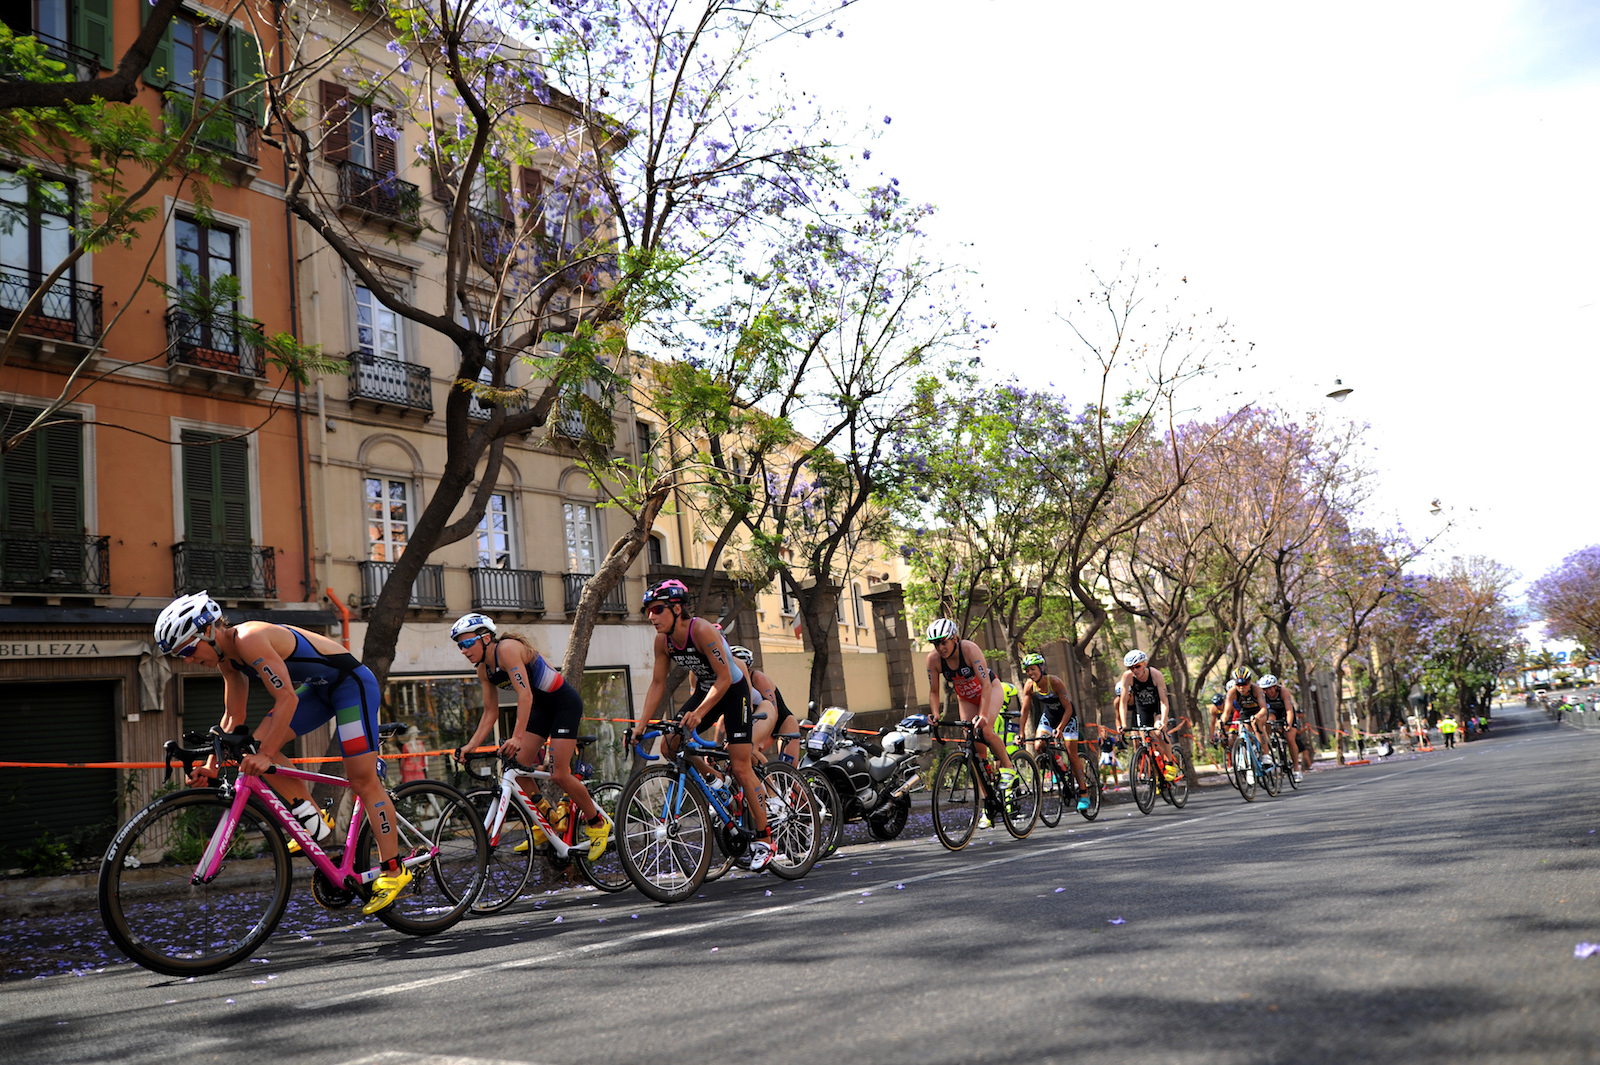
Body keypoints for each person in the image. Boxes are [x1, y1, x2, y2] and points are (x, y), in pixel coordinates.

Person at [154, 591, 410, 915]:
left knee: (362, 780)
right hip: (320, 689)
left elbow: (286, 699)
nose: (188, 660)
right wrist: (212, 766)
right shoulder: (228, 661)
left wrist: (267, 753)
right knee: (251, 746)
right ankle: (316, 817)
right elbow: (233, 718)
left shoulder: (249, 638)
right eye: (181, 656)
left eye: (187, 650)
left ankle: (394, 868)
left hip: (351, 685)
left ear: (208, 631)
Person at [629, 580, 772, 871]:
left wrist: (700, 712)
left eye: (657, 609)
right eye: (648, 611)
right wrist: (640, 726)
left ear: (677, 608)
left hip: (732, 692)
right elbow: (657, 683)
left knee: (741, 766)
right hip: (706, 691)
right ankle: (715, 781)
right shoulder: (663, 641)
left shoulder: (702, 630)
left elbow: (723, 679)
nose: (651, 617)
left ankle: (765, 839)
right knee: (670, 745)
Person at [451, 613, 610, 859]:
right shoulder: (484, 670)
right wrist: (471, 745)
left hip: (562, 705)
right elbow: (491, 712)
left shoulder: (508, 649)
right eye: (459, 645)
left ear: (485, 637)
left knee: (559, 774)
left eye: (467, 643)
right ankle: (548, 820)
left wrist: (516, 738)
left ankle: (597, 823)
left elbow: (525, 695)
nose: (463, 650)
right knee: (517, 767)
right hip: (540, 710)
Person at [924, 618, 1015, 829]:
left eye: (944, 642)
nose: (941, 647)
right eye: (936, 644)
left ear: (955, 638)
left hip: (990, 690)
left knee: (984, 729)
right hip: (965, 698)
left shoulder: (970, 649)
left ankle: (1008, 768)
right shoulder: (933, 660)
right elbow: (934, 691)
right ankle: (988, 805)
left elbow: (985, 684)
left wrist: (983, 714)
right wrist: (936, 713)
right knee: (974, 750)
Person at [1020, 652, 1090, 812]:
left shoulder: (1055, 682)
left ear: (1041, 668)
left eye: (1033, 669)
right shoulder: (1029, 686)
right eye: (1027, 671)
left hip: (1067, 716)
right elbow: (1025, 711)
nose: (1030, 673)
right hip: (1050, 716)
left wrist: (1060, 729)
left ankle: (1084, 794)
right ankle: (1061, 769)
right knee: (1039, 746)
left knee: (1072, 755)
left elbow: (1069, 708)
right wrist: (1021, 732)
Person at [728, 644, 800, 765]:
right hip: (760, 722)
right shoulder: (733, 682)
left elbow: (774, 711)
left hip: (782, 723)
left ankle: (791, 783)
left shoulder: (758, 678)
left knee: (789, 772)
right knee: (747, 753)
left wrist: (763, 740)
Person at [1117, 650, 1175, 769]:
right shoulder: (1127, 677)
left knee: (1159, 732)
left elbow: (1164, 701)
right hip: (1143, 709)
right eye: (1131, 668)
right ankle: (1156, 773)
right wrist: (1123, 724)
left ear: (1144, 664)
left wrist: (1163, 722)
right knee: (1145, 740)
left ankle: (1170, 763)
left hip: (1157, 707)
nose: (1135, 670)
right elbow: (1122, 703)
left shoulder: (1156, 675)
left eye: (1137, 666)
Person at [1224, 665, 1272, 767]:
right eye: (1238, 684)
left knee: (1256, 724)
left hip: (1259, 711)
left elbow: (1264, 708)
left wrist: (1257, 716)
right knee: (1242, 732)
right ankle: (1247, 761)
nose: (1241, 687)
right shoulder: (1232, 692)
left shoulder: (1256, 689)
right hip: (1245, 712)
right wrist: (1222, 721)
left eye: (1244, 684)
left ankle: (1266, 755)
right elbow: (1226, 712)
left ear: (1249, 682)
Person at [1258, 675, 1303, 783]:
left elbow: (1289, 710)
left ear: (1276, 687)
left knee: (1290, 739)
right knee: (1268, 720)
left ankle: (1296, 770)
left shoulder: (1283, 692)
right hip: (1273, 712)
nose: (1268, 691)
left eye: (1270, 688)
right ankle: (1270, 740)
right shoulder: (1262, 695)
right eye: (1265, 689)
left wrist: (1288, 723)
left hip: (1286, 713)